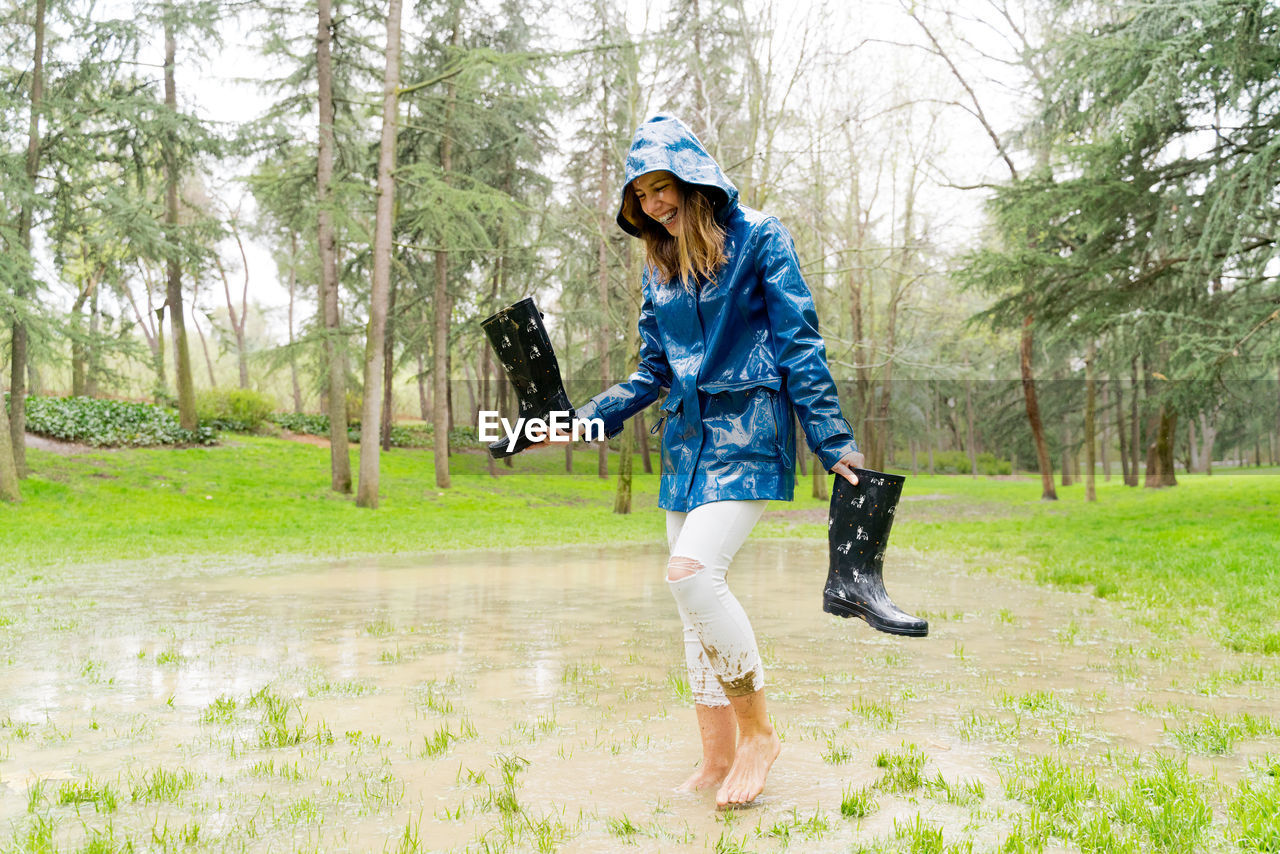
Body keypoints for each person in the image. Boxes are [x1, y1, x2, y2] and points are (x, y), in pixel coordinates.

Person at [571, 114, 864, 808]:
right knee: (691, 610)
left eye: (662, 186)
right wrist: (576, 422)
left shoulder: (761, 237)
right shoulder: (660, 271)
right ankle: (716, 756)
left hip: (749, 438)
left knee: (693, 575)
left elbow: (799, 345)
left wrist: (831, 440)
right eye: (640, 195)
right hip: (686, 450)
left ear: (694, 181)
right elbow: (650, 374)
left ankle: (759, 735)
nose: (654, 204)